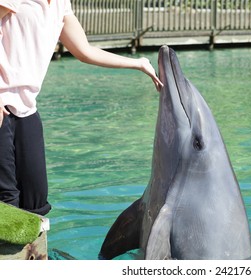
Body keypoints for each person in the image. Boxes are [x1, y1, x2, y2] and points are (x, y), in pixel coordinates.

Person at [0, 0, 163, 216]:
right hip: (2, 104)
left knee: (35, 200)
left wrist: (138, 63)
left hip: (26, 109)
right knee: (6, 200)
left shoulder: (59, 4)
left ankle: (32, 250)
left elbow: (84, 51)